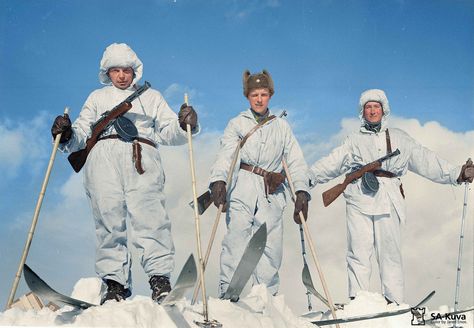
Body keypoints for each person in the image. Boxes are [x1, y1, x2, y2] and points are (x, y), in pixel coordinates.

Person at [50, 43, 199, 304]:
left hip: (141, 155)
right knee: (108, 220)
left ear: (135, 70)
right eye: (115, 70)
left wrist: (185, 123)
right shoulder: (97, 98)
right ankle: (115, 283)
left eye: (126, 70)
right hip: (102, 159)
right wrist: (67, 132)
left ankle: (159, 280)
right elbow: (82, 133)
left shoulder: (151, 97)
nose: (121, 76)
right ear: (106, 73)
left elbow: (168, 131)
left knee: (150, 217)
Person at [308, 89, 474, 304]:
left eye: (376, 106)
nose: (372, 110)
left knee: (390, 254)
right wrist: (306, 179)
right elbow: (331, 163)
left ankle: (394, 302)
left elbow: (426, 160)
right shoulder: (353, 140)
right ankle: (358, 302)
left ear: (383, 110)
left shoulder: (399, 138)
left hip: (389, 199)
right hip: (359, 199)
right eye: (368, 107)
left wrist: (457, 173)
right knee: (358, 252)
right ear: (363, 111)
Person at [209, 69, 310, 298]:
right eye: (254, 94)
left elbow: (295, 160)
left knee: (270, 245)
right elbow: (226, 154)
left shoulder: (282, 127)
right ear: (247, 96)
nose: (259, 99)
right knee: (236, 238)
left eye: (263, 94)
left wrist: (302, 190)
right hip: (242, 185)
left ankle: (266, 296)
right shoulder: (237, 124)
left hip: (272, 191)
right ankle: (228, 293)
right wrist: (218, 180)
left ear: (270, 95)